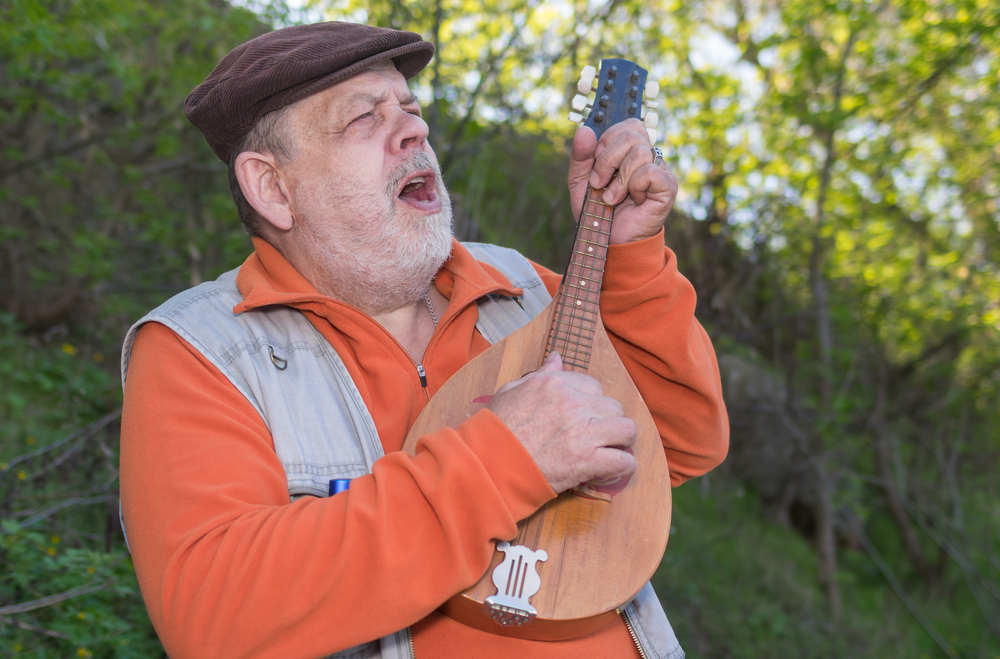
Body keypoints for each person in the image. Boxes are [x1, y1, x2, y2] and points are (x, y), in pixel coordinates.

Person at [119, 21, 728, 659]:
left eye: (410, 108)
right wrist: (506, 458)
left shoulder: (523, 288)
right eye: (364, 118)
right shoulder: (203, 352)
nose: (416, 129)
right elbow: (214, 613)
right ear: (272, 188)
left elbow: (680, 445)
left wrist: (629, 259)